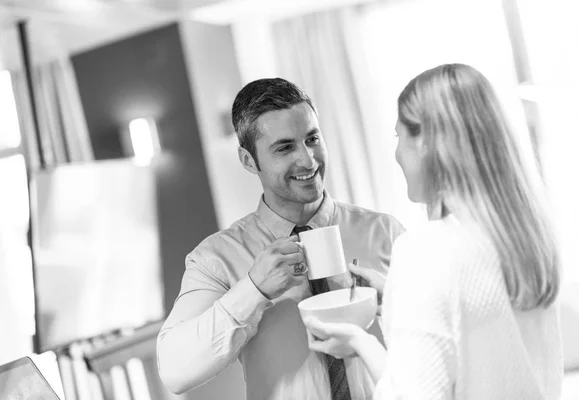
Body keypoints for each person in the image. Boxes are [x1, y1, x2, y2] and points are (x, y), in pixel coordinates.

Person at [305, 63, 563, 399]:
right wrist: (398, 297)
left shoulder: (426, 251)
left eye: (400, 136)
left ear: (426, 141)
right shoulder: (529, 238)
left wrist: (360, 342)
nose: (396, 153)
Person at [157, 77, 405, 400]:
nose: (308, 159)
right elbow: (174, 371)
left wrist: (396, 303)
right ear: (249, 160)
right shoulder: (215, 259)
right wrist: (253, 290)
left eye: (312, 138)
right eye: (285, 147)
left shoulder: (387, 233)